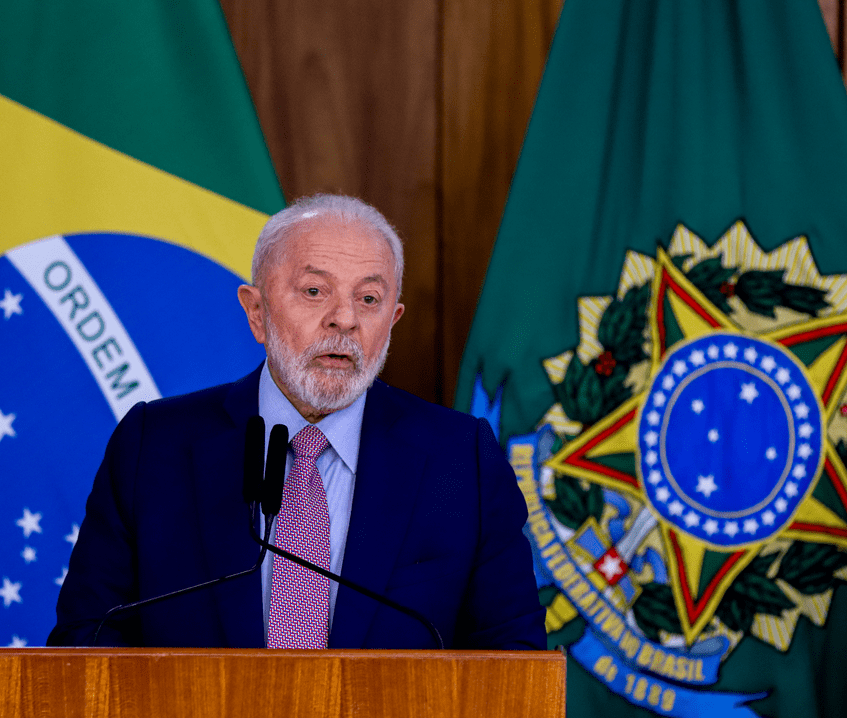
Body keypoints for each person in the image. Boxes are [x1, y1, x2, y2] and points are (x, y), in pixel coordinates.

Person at [48, 194, 545, 649]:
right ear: (257, 312)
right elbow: (85, 644)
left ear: (391, 322)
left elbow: (515, 664)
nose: (344, 319)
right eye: (314, 291)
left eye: (368, 299)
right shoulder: (154, 448)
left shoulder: (460, 461)